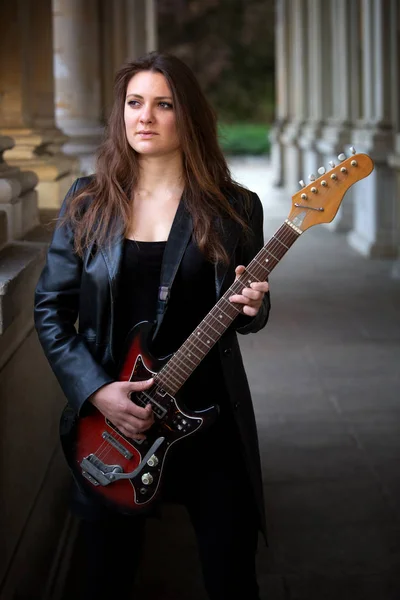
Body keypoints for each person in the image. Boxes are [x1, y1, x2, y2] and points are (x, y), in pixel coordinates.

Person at [34, 51, 270, 600]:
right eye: (134, 103)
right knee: (104, 577)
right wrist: (96, 391)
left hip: (209, 418)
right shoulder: (86, 202)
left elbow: (248, 317)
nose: (145, 116)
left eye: (164, 105)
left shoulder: (235, 207)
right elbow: (50, 310)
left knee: (233, 576)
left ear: (188, 116)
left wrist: (257, 305)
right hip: (114, 424)